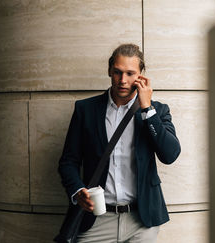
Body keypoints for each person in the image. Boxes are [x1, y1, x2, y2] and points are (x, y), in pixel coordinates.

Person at [58, 43, 181, 243]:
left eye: (130, 73)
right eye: (117, 72)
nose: (123, 80)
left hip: (141, 221)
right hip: (97, 219)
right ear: (109, 71)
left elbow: (170, 155)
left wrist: (147, 109)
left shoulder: (157, 111)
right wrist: (77, 191)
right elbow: (68, 162)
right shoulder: (85, 110)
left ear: (141, 75)